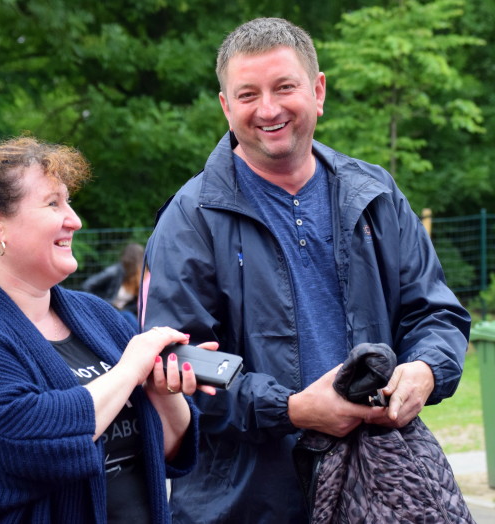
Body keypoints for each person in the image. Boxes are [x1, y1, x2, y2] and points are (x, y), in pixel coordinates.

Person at [142, 17, 471, 523]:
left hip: (377, 490)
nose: (268, 109)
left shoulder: (375, 194)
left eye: (284, 87)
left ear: (318, 91)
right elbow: (176, 361)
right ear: (226, 107)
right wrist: (290, 409)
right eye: (248, 94)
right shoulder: (192, 218)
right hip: (244, 504)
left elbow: (436, 314)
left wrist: (426, 369)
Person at [0, 136, 213, 524]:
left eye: (68, 201)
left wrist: (162, 392)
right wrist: (129, 370)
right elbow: (38, 443)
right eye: (53, 203)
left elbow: (167, 453)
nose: (74, 220)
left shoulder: (97, 316)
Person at [81, 242, 144, 328]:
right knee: (128, 317)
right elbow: (87, 285)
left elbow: (136, 304)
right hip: (107, 310)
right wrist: (98, 303)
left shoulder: (137, 278)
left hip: (121, 312)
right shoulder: (114, 272)